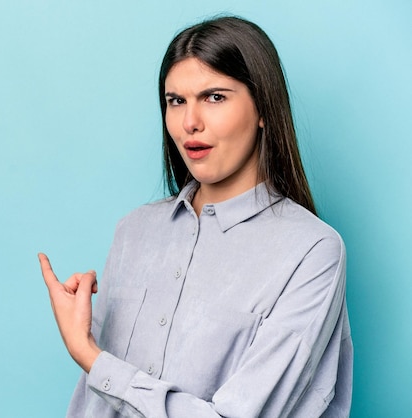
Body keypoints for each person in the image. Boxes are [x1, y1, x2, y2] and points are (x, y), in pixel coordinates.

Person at [39, 15, 352, 418]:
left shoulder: (312, 251)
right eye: (176, 101)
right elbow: (94, 404)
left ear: (263, 109)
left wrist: (90, 356)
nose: (190, 123)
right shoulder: (134, 231)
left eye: (215, 97)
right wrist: (92, 344)